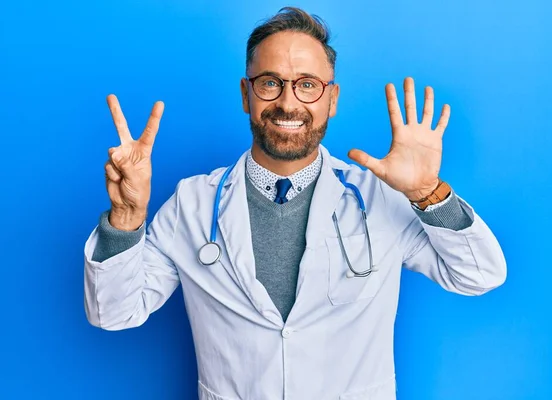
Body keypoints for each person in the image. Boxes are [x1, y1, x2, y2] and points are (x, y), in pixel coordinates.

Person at [83, 6, 506, 400]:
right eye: (270, 83)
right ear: (247, 95)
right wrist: (126, 216)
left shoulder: (380, 197)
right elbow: (114, 313)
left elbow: (479, 275)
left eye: (307, 85)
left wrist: (425, 193)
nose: (288, 103)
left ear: (331, 99)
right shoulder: (193, 204)